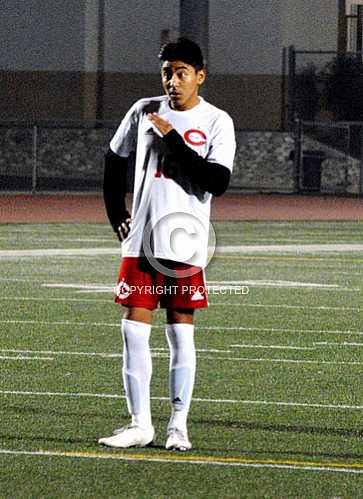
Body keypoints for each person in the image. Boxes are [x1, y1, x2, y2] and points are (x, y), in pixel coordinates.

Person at [98, 38, 235, 451]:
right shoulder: (143, 110)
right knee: (133, 329)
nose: (173, 81)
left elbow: (217, 182)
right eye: (167, 73)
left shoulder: (217, 121)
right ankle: (141, 424)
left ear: (200, 76)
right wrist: (115, 213)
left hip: (185, 242)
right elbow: (113, 158)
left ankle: (178, 425)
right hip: (141, 239)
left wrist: (174, 139)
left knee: (180, 332)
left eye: (181, 73)